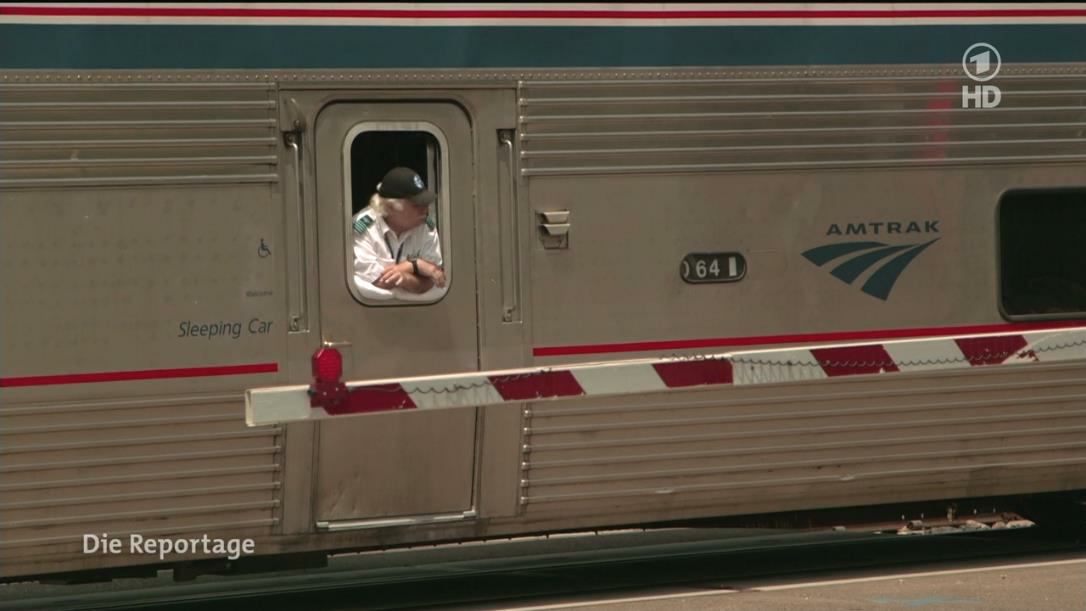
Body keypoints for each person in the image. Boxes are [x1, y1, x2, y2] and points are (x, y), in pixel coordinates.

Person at [352, 167, 446, 299]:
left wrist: (407, 271)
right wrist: (415, 266)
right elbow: (376, 282)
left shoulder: (426, 226)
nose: (425, 210)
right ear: (391, 207)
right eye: (417, 205)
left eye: (426, 203)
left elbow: (433, 279)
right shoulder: (364, 227)